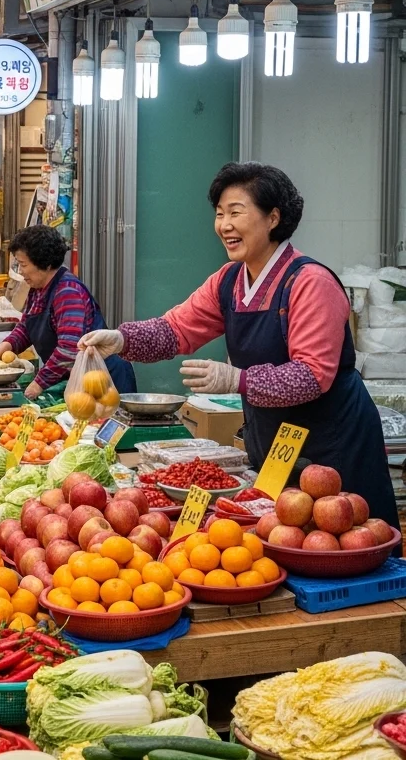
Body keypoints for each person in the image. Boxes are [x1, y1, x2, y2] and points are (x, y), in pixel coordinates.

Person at [79, 161, 399, 528]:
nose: (224, 225)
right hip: (277, 443)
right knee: (280, 539)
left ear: (273, 218)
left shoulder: (311, 282)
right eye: (219, 214)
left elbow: (312, 376)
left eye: (236, 212)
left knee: (349, 541)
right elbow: (175, 329)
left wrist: (237, 380)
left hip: (333, 444)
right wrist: (121, 339)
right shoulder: (229, 280)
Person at [0, 225, 137, 400]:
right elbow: (27, 326)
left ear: (44, 263)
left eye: (23, 265)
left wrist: (38, 385)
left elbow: (69, 349)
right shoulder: (38, 288)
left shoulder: (68, 292)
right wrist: (6, 346)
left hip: (103, 381)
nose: (21, 272)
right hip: (77, 380)